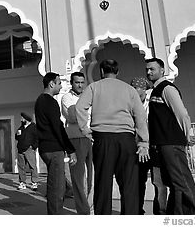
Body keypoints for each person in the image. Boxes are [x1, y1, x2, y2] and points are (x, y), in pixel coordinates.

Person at [75, 59, 149, 215]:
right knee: (129, 183)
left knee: (103, 183)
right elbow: (140, 116)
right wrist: (143, 142)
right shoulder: (129, 89)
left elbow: (80, 107)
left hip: (103, 138)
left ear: (101, 71)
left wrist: (85, 129)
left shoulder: (94, 87)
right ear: (118, 71)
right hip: (126, 139)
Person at [146, 58, 195, 215]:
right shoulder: (156, 91)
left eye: (152, 69)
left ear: (162, 70)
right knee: (174, 183)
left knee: (183, 182)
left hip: (171, 144)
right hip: (163, 145)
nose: (149, 72)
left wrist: (188, 134)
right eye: (147, 69)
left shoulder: (167, 89)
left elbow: (182, 113)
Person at [34, 72, 77, 215]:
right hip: (53, 149)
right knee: (57, 189)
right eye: (59, 83)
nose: (61, 86)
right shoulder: (49, 101)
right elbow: (57, 127)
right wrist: (70, 149)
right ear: (51, 84)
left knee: (57, 185)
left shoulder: (40, 100)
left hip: (45, 148)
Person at [130, 77, 168, 215]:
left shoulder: (152, 102)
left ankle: (160, 212)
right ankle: (138, 211)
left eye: (137, 90)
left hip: (154, 148)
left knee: (159, 183)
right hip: (138, 149)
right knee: (138, 182)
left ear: (144, 90)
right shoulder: (130, 105)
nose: (134, 92)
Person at [61, 71, 94, 215]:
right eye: (77, 82)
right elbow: (73, 116)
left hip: (91, 138)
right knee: (78, 177)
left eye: (82, 82)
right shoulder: (67, 97)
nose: (80, 85)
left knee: (92, 175)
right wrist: (85, 112)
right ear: (71, 83)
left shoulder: (89, 95)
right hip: (75, 138)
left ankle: (91, 206)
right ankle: (83, 210)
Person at [15, 112, 38, 190]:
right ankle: (22, 183)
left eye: (22, 118)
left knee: (32, 166)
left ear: (26, 119)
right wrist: (18, 134)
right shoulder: (21, 128)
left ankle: (34, 183)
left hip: (29, 150)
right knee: (21, 167)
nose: (21, 119)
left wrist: (33, 147)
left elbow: (37, 138)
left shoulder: (33, 127)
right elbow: (16, 137)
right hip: (20, 150)